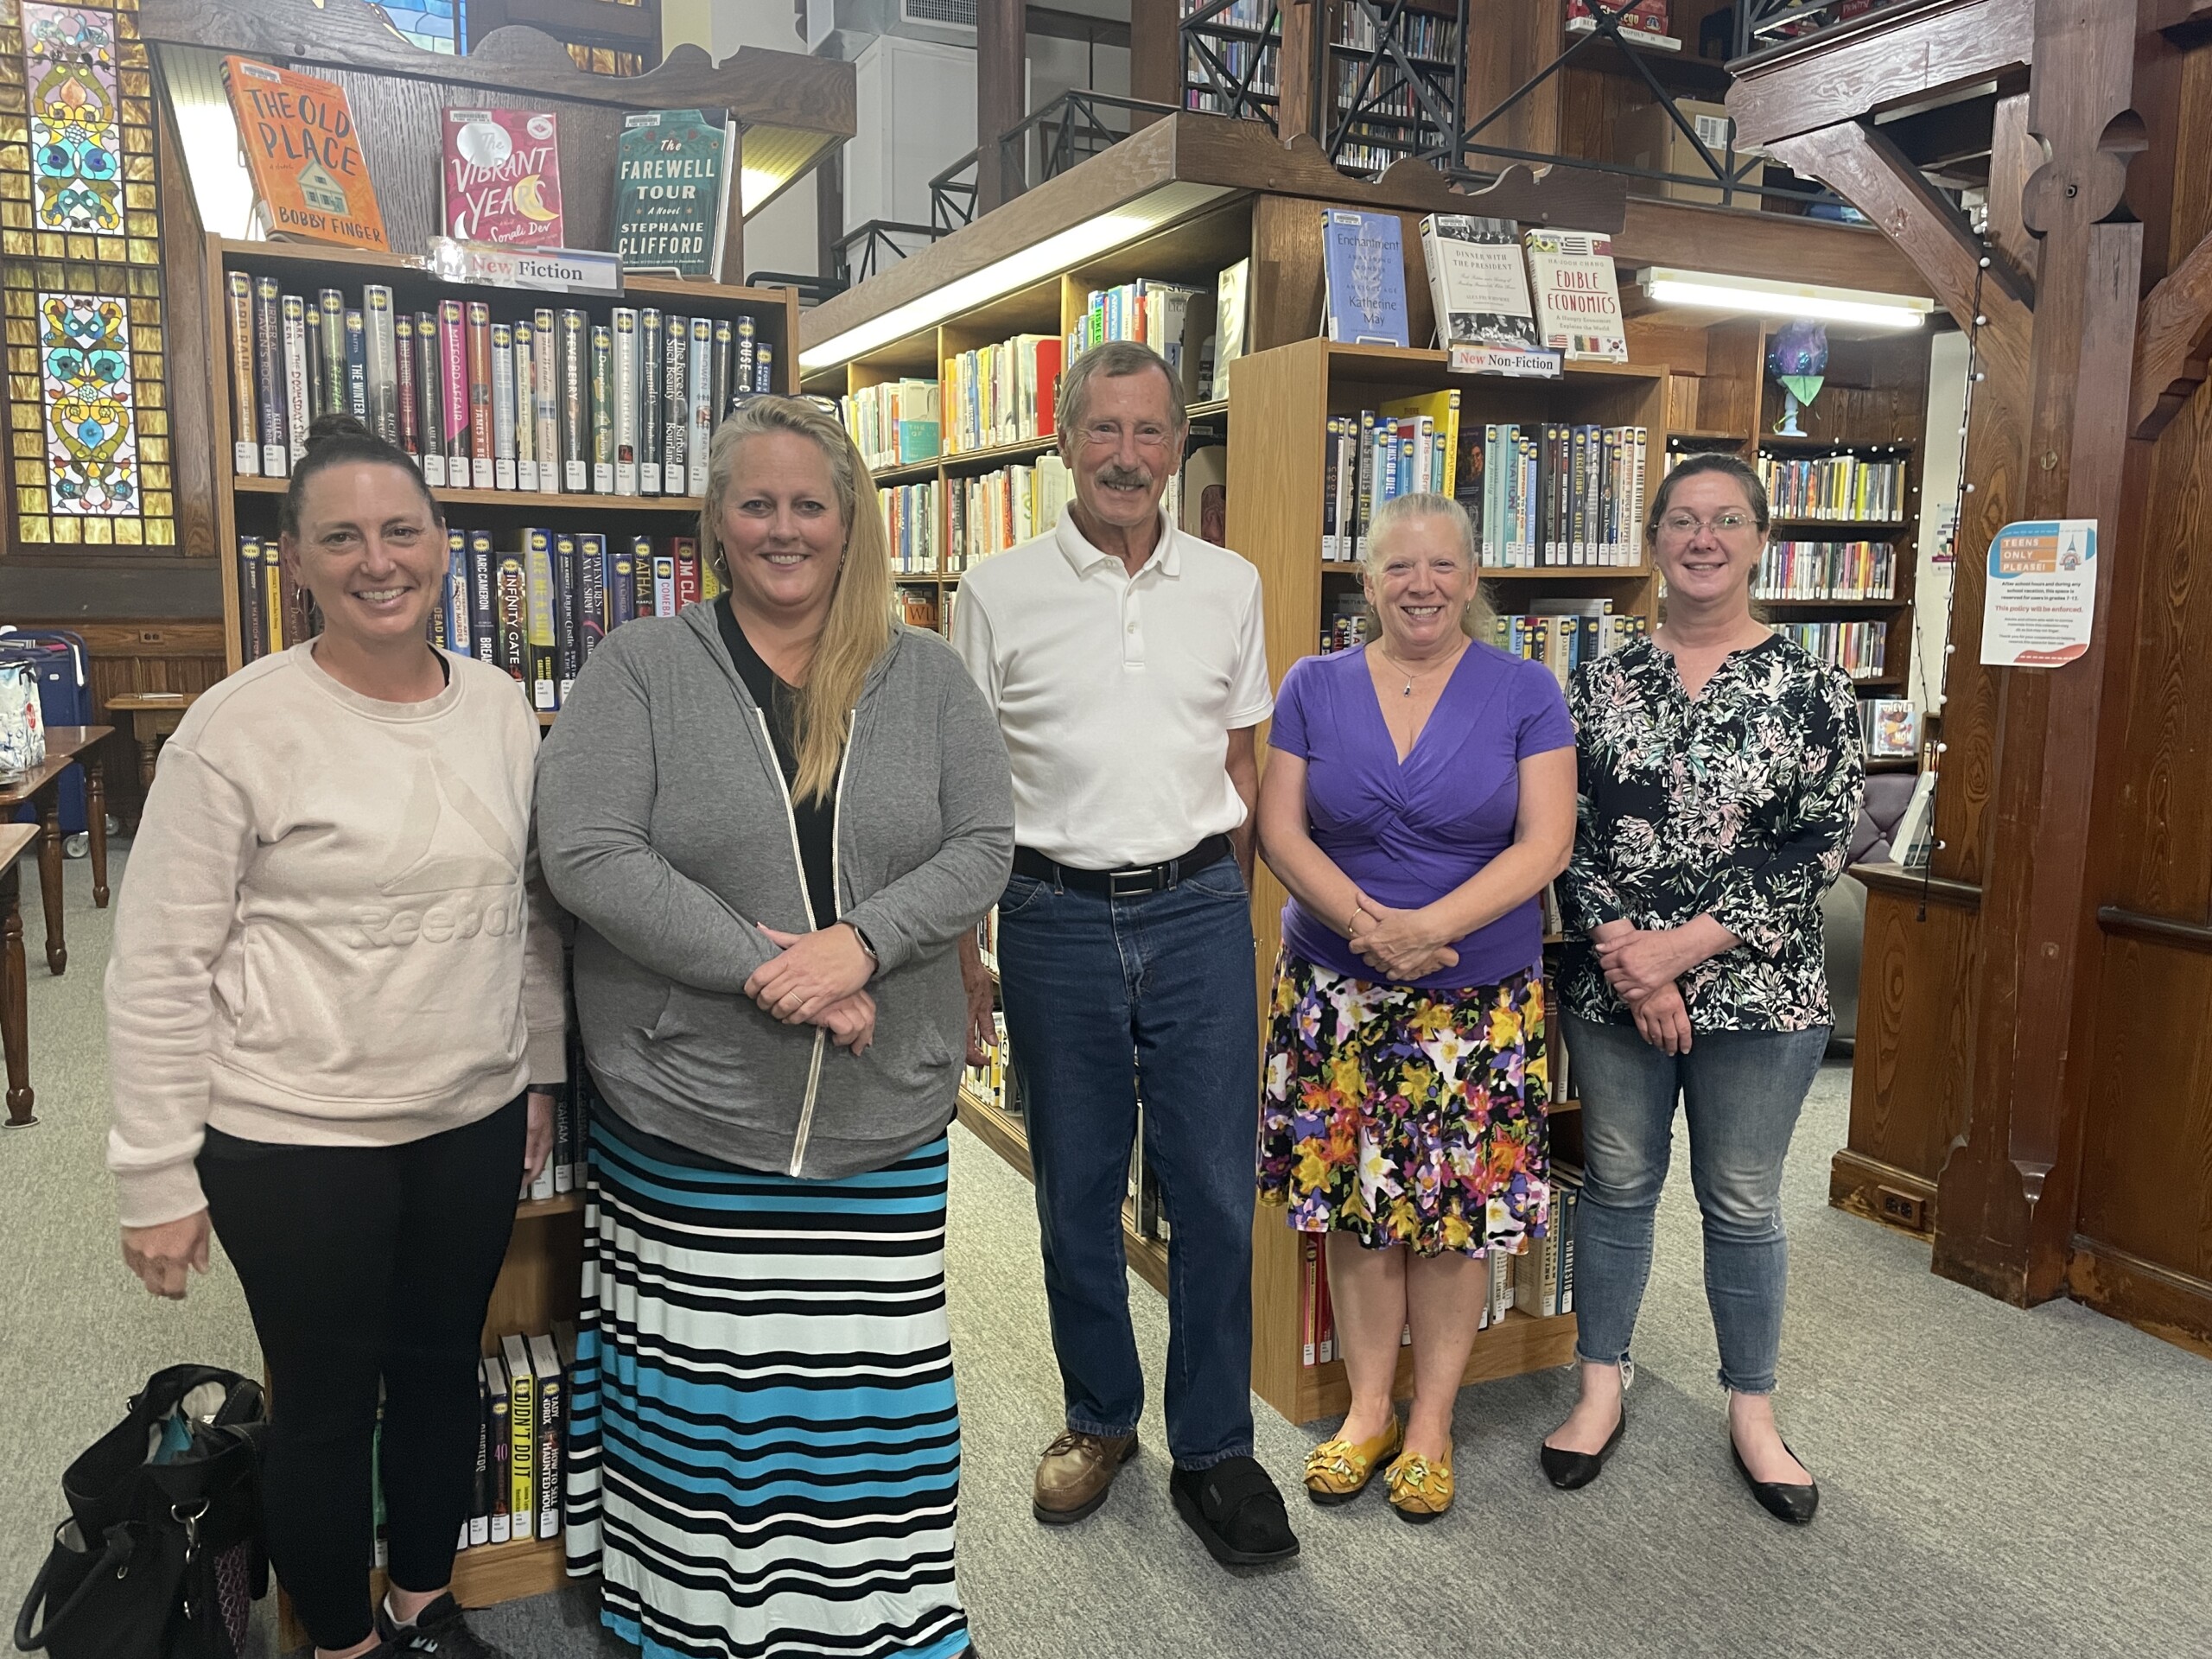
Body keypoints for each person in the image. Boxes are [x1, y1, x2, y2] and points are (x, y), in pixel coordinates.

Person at [537, 395, 1011, 1658]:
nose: (784, 528)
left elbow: (985, 844)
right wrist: (772, 970)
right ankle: (693, 1616)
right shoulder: (639, 668)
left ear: (851, 521)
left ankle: (881, 1621)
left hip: (882, 1111)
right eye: (758, 503)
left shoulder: (931, 673)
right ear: (716, 523)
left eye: (810, 504)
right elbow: (585, 852)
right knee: (706, 1398)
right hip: (690, 1110)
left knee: (872, 1399)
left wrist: (859, 947)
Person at [105, 414, 565, 1659]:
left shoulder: (501, 709)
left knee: (438, 1381)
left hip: (467, 1120)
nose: (380, 559)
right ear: (296, 562)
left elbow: (524, 912)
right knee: (322, 1408)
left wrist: (537, 1075)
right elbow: (155, 965)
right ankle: (345, 1644)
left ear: (443, 545)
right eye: (343, 536)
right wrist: (153, 1171)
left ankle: (424, 1608)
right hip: (293, 1137)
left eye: (403, 530)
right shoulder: (237, 729)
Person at [950, 340, 1296, 1569]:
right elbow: (968, 785)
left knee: (1211, 1188)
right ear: (1062, 440)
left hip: (1200, 909)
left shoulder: (1230, 584)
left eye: (1152, 433)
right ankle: (1100, 1416)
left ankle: (1214, 1445)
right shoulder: (994, 590)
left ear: (1178, 446)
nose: (1128, 457)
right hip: (1050, 918)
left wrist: (1234, 914)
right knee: (1078, 1190)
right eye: (1105, 430)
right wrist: (967, 945)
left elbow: (1243, 767)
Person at [1540, 452, 1863, 1525]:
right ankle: (1600, 1386)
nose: (1702, 538)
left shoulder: (1812, 686)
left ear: (1761, 539)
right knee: (1620, 1186)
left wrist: (1680, 950)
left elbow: (1818, 842)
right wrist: (1631, 955)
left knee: (1741, 1200)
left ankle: (1752, 1411)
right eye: (1681, 519)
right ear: (1654, 542)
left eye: (1727, 520)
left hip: (1761, 998)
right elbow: (1563, 834)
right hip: (1614, 988)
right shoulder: (1599, 681)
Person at [1255, 493, 1576, 1523]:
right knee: (1356, 1206)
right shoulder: (1313, 684)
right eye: (1398, 567)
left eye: (1441, 566)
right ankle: (1365, 1410)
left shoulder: (1527, 689)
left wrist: (1426, 924)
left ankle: (1430, 1420)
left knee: (1451, 1217)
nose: (1421, 586)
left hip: (1474, 1000)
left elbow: (1544, 845)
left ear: (1473, 578)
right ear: (1366, 580)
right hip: (1335, 993)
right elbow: (1280, 829)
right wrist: (1368, 926)